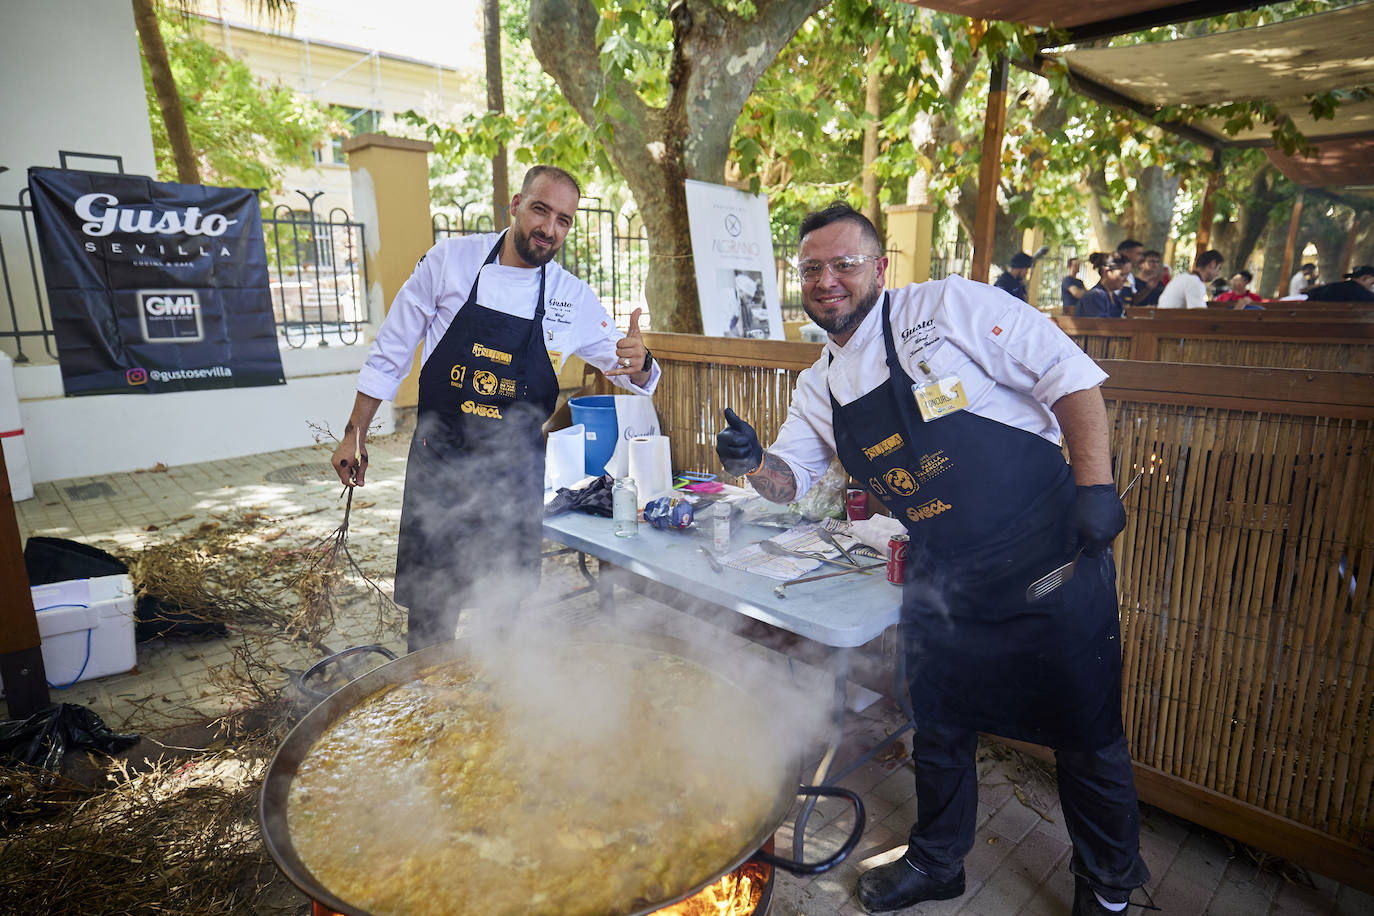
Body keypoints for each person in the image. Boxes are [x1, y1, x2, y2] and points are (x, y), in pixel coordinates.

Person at [715, 203, 1149, 916]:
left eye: (844, 264)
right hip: (943, 572)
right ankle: (938, 861)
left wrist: (1095, 489)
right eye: (812, 269)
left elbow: (1070, 380)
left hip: (1047, 561)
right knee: (941, 727)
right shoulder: (819, 384)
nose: (828, 281)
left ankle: (1106, 886)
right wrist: (753, 460)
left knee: (1087, 737)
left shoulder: (949, 307)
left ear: (880, 268)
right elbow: (789, 484)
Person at [329, 165, 660, 652]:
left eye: (564, 220)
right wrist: (355, 430)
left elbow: (635, 371)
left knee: (504, 614)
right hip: (440, 463)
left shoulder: (570, 296)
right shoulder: (450, 261)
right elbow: (392, 350)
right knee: (433, 611)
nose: (549, 228)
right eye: (540, 210)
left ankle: (499, 704)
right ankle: (425, 707)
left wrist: (642, 361)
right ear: (516, 206)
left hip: (513, 476)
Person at [1157, 250, 1224, 309]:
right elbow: (1200, 314)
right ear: (1212, 264)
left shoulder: (1181, 277)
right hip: (1170, 322)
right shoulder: (1195, 282)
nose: (1217, 274)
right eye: (1219, 268)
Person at [1076, 252, 1130, 318]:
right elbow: (1101, 326)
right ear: (1106, 272)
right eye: (1122, 275)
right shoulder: (1095, 297)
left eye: (1127, 275)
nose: (1126, 280)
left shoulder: (1115, 298)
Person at [1304, 264, 1374, 301]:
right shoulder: (1365, 295)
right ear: (1365, 278)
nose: (1371, 286)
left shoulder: (1328, 288)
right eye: (1372, 283)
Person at [1115, 239, 1145, 306]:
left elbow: (1133, 300)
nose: (1142, 258)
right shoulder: (1114, 274)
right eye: (1138, 254)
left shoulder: (1130, 276)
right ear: (1126, 254)